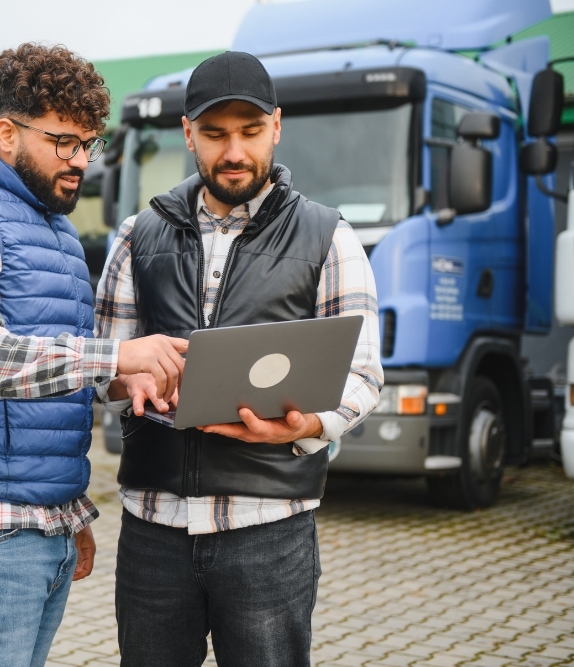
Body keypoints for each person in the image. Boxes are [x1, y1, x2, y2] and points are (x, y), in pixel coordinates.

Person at [0, 43, 188, 667]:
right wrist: (114, 357)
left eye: (89, 143)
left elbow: (53, 387)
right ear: (7, 133)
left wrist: (68, 510)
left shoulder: (54, 231)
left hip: (39, 525)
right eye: (64, 142)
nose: (81, 161)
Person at [96, 51, 383, 667]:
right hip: (154, 528)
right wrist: (127, 377)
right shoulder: (135, 235)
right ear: (188, 136)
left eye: (250, 133)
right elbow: (105, 368)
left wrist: (309, 424)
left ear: (277, 127)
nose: (234, 152)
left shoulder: (329, 237)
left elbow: (363, 374)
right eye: (215, 134)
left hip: (269, 528)